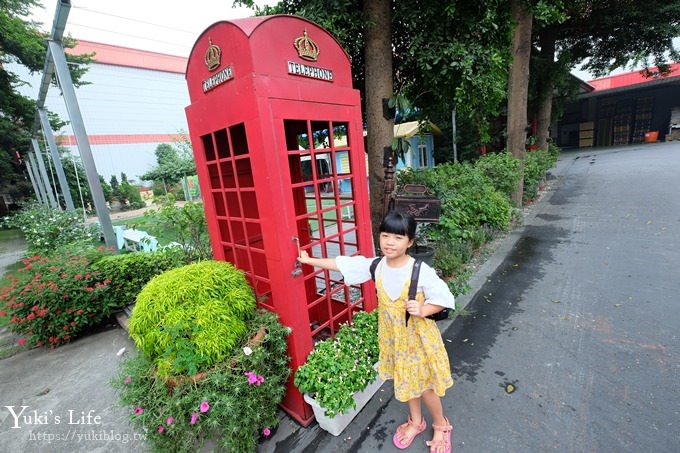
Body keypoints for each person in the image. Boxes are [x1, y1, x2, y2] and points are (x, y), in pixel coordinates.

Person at [297, 210, 455, 453]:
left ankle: (441, 424)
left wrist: (423, 309)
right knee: (405, 379)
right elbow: (343, 264)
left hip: (419, 339)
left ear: (410, 242)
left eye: (398, 237)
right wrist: (310, 261)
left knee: (425, 386)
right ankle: (416, 421)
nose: (390, 242)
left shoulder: (419, 271)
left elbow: (446, 299)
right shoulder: (376, 266)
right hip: (394, 338)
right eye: (385, 236)